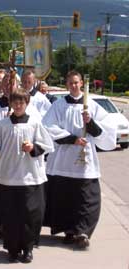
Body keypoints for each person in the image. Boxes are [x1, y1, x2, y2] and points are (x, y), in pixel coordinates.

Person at [42, 70, 117, 249]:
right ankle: (69, 231)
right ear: (66, 85)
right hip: (63, 160)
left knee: (87, 199)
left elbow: (107, 131)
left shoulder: (92, 105)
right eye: (70, 83)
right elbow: (47, 127)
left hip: (85, 161)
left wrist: (90, 122)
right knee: (65, 198)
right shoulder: (59, 105)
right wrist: (72, 139)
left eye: (76, 82)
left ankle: (83, 232)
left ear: (82, 83)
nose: (74, 86)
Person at [0, 88, 54, 263]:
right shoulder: (2, 125)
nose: (18, 105)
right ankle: (12, 249)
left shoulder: (34, 124)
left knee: (30, 215)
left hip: (29, 177)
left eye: (21, 102)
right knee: (10, 215)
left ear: (27, 104)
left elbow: (47, 146)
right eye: (15, 102)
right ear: (11, 103)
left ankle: (28, 248)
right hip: (7, 177)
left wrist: (33, 148)